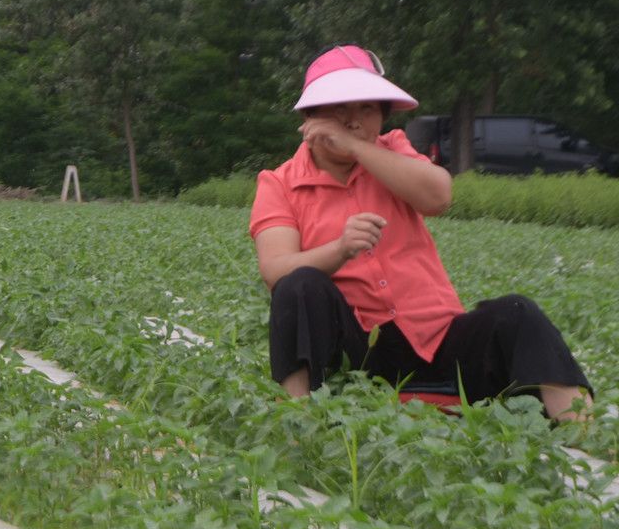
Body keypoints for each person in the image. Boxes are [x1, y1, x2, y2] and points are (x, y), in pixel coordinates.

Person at [249, 45, 593, 420]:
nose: (353, 121)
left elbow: (438, 196)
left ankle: (584, 432)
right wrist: (340, 248)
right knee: (298, 285)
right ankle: (296, 421)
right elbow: (275, 270)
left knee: (516, 313)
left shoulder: (392, 150)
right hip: (360, 353)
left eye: (366, 108)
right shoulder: (280, 183)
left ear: (382, 114)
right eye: (339, 109)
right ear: (310, 116)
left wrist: (356, 148)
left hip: (437, 339)